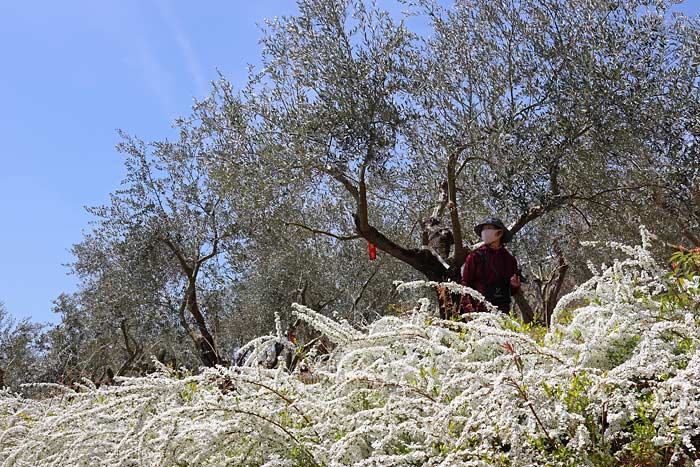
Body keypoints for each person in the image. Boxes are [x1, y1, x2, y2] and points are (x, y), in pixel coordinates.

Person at [460, 218, 521, 314]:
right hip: (479, 311)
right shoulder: (474, 256)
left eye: (488, 228)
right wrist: (468, 310)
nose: (484, 232)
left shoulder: (510, 260)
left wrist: (515, 286)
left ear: (499, 233)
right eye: (483, 229)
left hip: (502, 312)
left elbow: (510, 291)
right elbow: (465, 284)